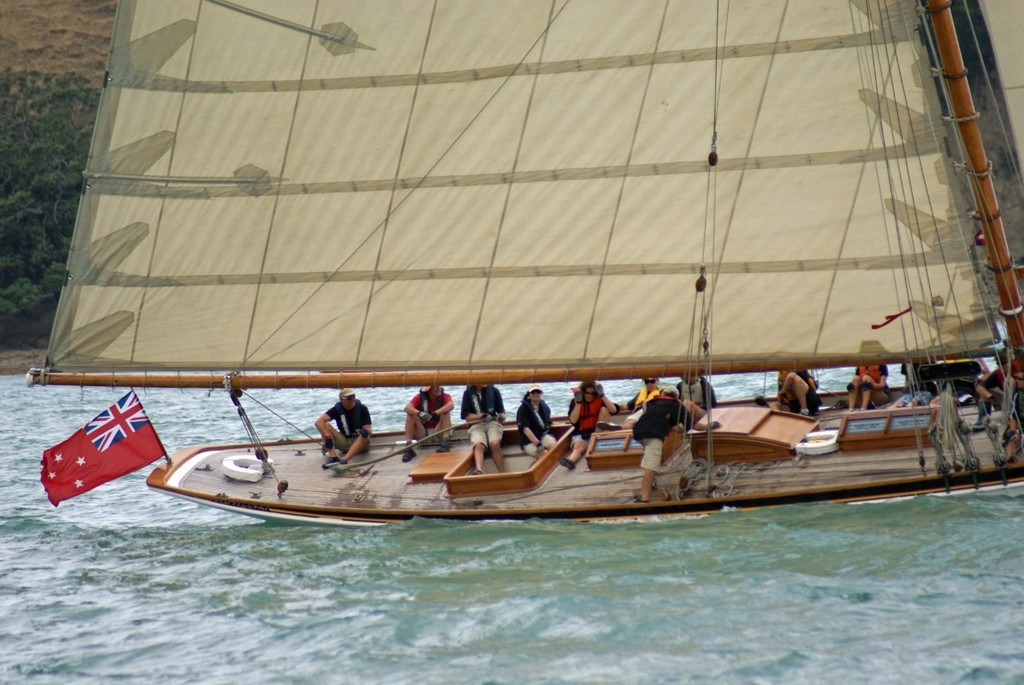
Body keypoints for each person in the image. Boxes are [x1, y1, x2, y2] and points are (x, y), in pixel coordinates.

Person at [632, 386, 689, 503]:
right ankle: (645, 501)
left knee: (649, 458)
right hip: (653, 434)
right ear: (677, 398)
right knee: (651, 468)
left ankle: (651, 482)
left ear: (663, 393)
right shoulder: (677, 405)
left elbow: (646, 407)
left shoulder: (653, 402)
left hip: (638, 432)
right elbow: (691, 424)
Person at [560, 380, 618, 470]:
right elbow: (573, 421)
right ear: (583, 392)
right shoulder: (575, 402)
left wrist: (602, 395)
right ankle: (571, 461)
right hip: (582, 434)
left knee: (604, 410)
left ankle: (602, 445)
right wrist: (578, 403)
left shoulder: (599, 400)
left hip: (598, 432)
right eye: (587, 393)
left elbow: (613, 410)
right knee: (578, 447)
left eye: (593, 394)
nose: (590, 396)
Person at [315, 388, 372, 467]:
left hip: (360, 444)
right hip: (344, 442)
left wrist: (365, 431)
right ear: (341, 400)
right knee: (325, 425)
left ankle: (344, 460)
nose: (352, 399)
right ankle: (333, 457)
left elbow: (368, 429)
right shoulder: (336, 409)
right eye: (348, 398)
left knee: (365, 435)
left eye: (353, 396)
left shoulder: (362, 408)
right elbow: (318, 422)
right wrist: (328, 437)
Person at [461, 383, 506, 475]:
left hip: (492, 423)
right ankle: (479, 470)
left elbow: (502, 413)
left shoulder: (494, 391)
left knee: (494, 443)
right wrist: (481, 416)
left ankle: (502, 473)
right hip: (476, 425)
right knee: (478, 445)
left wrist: (501, 417)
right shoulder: (467, 393)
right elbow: (467, 417)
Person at [401, 385, 454, 462]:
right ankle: (408, 448)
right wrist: (419, 413)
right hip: (423, 434)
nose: (437, 388)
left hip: (439, 432)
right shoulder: (419, 397)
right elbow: (407, 408)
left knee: (446, 412)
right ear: (428, 390)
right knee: (410, 415)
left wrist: (435, 413)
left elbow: (450, 405)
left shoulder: (445, 396)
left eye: (438, 386)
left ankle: (445, 443)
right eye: (434, 387)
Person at [517, 384, 556, 459]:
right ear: (529, 394)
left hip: (541, 436)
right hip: (528, 441)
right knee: (544, 455)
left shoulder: (543, 406)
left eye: (538, 392)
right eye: (533, 392)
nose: (535, 394)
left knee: (555, 447)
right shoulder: (523, 409)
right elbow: (526, 430)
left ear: (541, 394)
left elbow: (548, 422)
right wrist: (538, 445)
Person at [1002, 370, 1024, 462]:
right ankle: (1010, 458)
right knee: (1010, 436)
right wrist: (1013, 432)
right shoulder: (1017, 394)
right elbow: (1013, 414)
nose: (1017, 381)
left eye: (1019, 379)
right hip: (1021, 422)